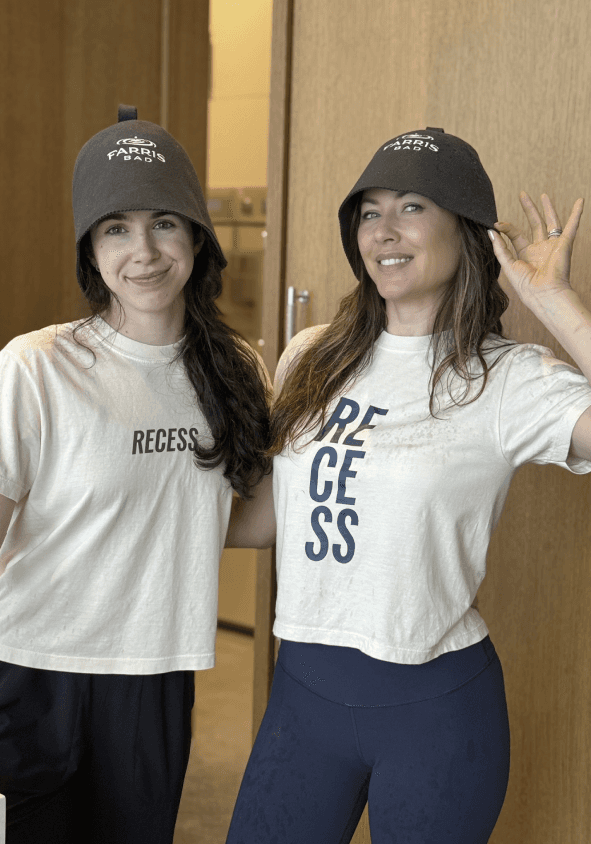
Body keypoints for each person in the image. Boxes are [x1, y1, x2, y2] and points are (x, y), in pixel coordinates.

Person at [224, 127, 591, 843]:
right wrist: (127, 519)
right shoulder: (313, 354)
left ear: (468, 232)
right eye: (369, 211)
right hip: (304, 693)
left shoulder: (506, 378)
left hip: (436, 711)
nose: (384, 231)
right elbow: (278, 514)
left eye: (413, 207)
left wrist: (552, 300)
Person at [0, 105, 270, 844]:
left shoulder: (236, 372)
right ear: (90, 250)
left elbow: (242, 521)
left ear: (197, 233)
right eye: (116, 228)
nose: (144, 251)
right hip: (30, 671)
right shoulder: (37, 366)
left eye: (164, 222)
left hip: (155, 678)